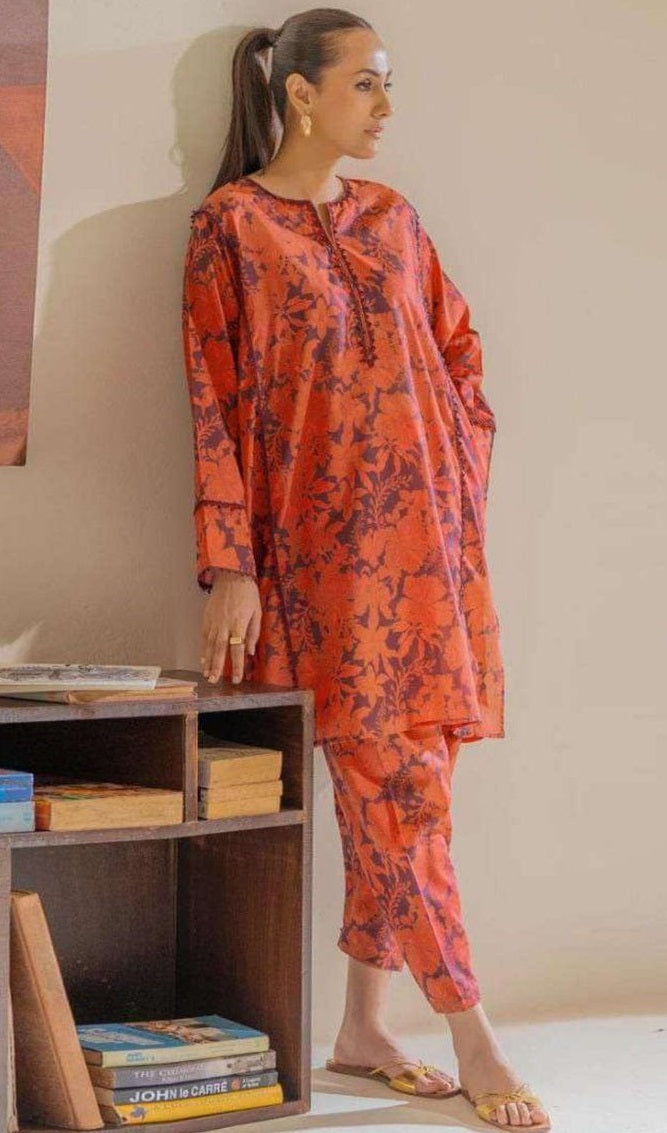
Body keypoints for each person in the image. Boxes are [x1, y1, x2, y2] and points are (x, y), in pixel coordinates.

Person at [181, 8, 550, 1130]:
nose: (386, 108)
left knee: (415, 787)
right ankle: (472, 1030)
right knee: (397, 795)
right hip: (319, 565)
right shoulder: (230, 228)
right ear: (301, 95)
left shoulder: (393, 220)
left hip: (430, 551)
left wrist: (449, 477)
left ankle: (359, 1024)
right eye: (368, 86)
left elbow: (460, 355)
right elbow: (212, 407)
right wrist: (230, 565)